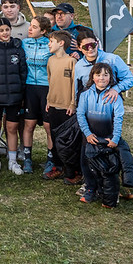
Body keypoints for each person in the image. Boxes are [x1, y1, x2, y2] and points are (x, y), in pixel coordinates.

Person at [73, 28, 133, 197]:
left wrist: (116, 89)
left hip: (109, 111)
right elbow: (77, 89)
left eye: (92, 44)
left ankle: (110, 185)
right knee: (87, 150)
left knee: (110, 148)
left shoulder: (112, 59)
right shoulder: (79, 65)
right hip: (89, 111)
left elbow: (130, 79)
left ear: (97, 42)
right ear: (80, 48)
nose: (90, 48)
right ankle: (89, 185)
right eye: (85, 46)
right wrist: (75, 105)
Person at [0, 17, 27, 175]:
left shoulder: (18, 49)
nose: (5, 33)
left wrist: (22, 95)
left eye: (7, 30)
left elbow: (23, 73)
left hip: (14, 96)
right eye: (1, 30)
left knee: (12, 128)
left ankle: (12, 161)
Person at [76, 63, 124, 208]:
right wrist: (88, 133)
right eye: (98, 75)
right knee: (86, 163)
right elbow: (80, 114)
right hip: (89, 137)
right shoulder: (85, 94)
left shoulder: (115, 96)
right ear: (92, 76)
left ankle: (108, 191)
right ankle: (90, 188)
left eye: (105, 75)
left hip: (107, 138)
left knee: (108, 166)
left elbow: (119, 117)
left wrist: (115, 138)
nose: (101, 78)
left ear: (110, 77)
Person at [42, 30, 78, 182]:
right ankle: (57, 166)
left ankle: (73, 170)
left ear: (61, 43)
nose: (49, 44)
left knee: (68, 140)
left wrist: (72, 103)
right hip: (53, 105)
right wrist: (49, 101)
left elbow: (74, 85)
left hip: (67, 107)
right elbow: (51, 82)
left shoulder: (71, 61)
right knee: (55, 136)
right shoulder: (50, 61)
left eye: (51, 41)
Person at [22, 16, 53, 174]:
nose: (30, 29)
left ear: (43, 31)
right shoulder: (24, 43)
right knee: (29, 125)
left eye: (34, 27)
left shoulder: (49, 44)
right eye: (30, 25)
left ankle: (50, 159)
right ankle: (27, 159)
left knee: (48, 126)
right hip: (29, 87)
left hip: (46, 88)